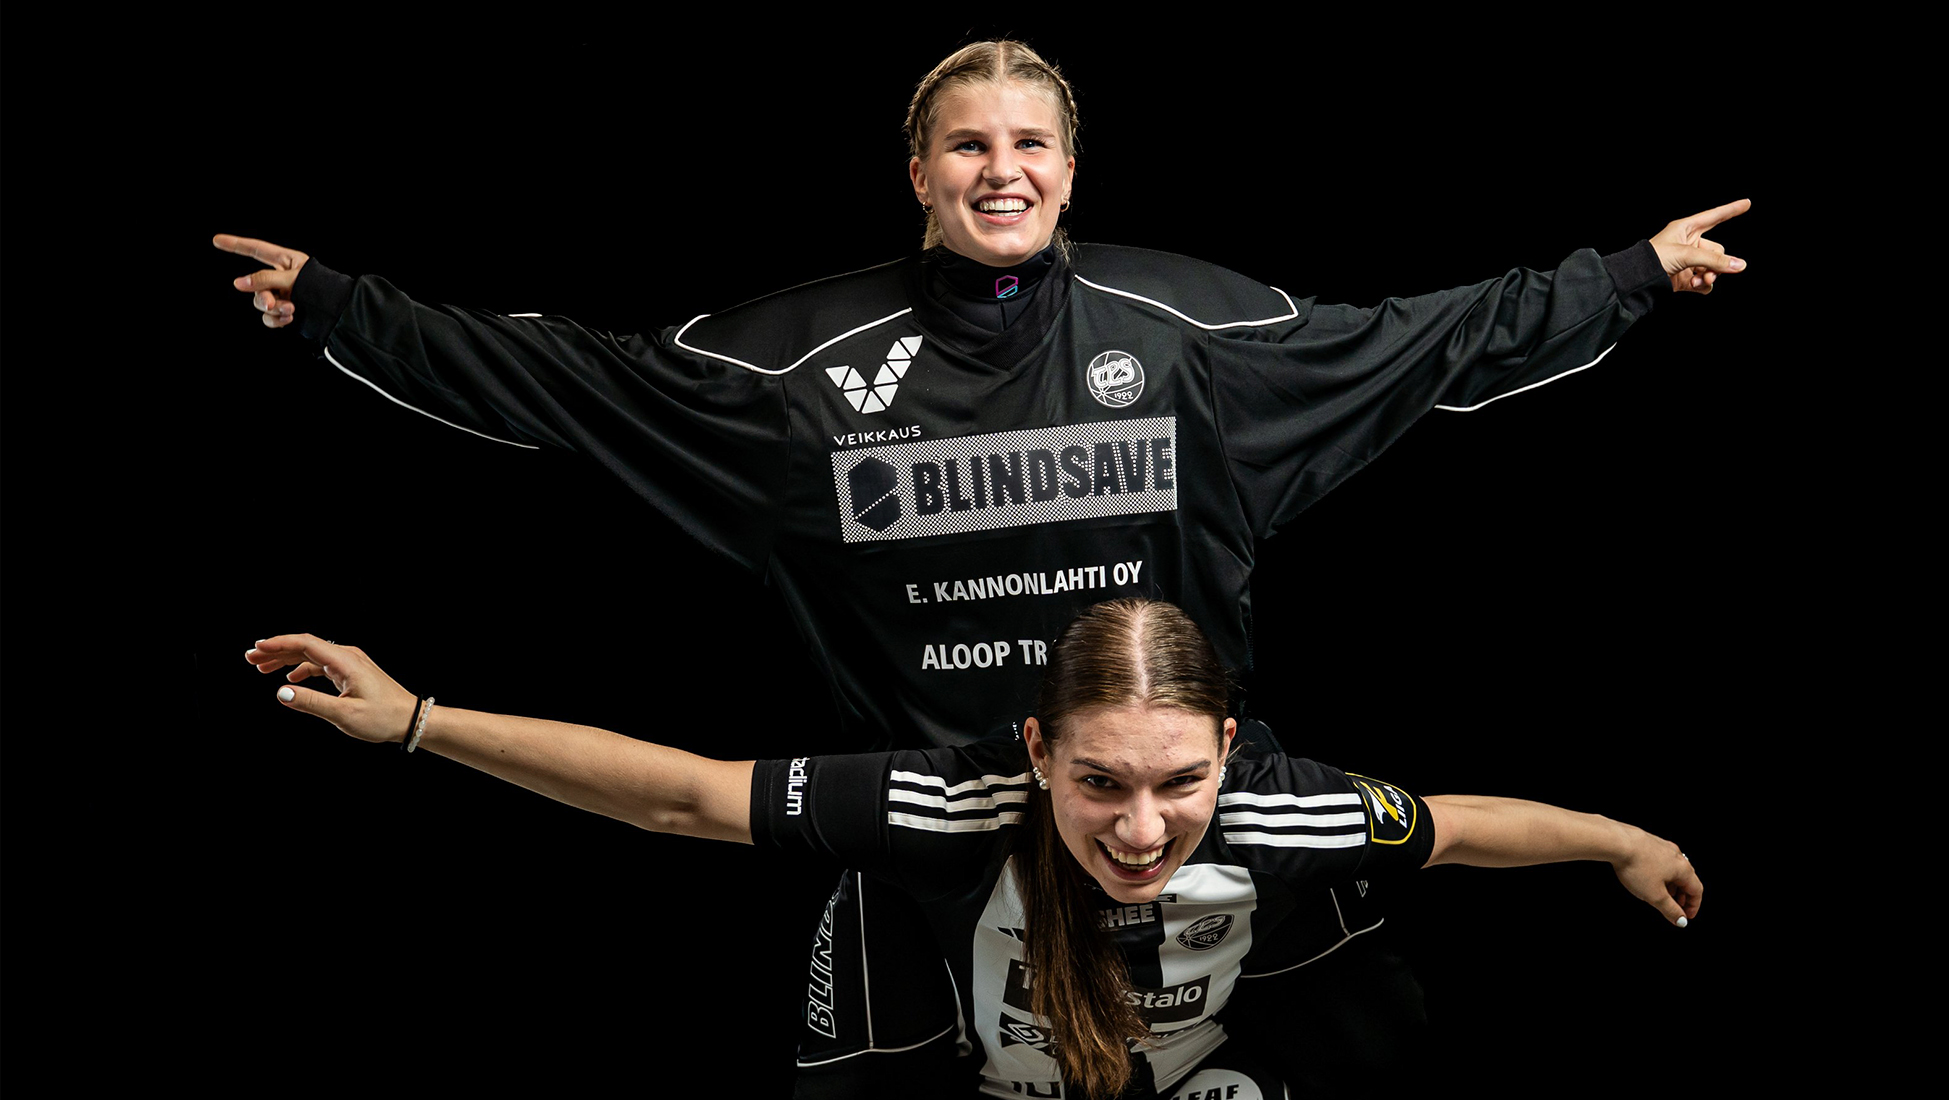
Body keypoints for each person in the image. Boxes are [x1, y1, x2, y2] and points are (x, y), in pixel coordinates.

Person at [215, 38, 1745, 1093]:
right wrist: (353, 313)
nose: (1000, 170)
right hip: (941, 841)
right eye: (968, 144)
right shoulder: (805, 374)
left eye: (1029, 144)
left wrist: (1622, 278)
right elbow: (576, 385)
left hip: (1188, 827)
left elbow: (1426, 345)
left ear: (1071, 171)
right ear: (918, 172)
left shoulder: (1189, 345)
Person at [245, 597, 1701, 1099]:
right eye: (1099, 785)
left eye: (1181, 783)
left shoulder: (1285, 808)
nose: (1142, 829)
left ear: (1228, 747)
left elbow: (1462, 830)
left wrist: (1621, 841)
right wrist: (420, 719)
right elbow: (680, 796)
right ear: (1035, 752)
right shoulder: (948, 805)